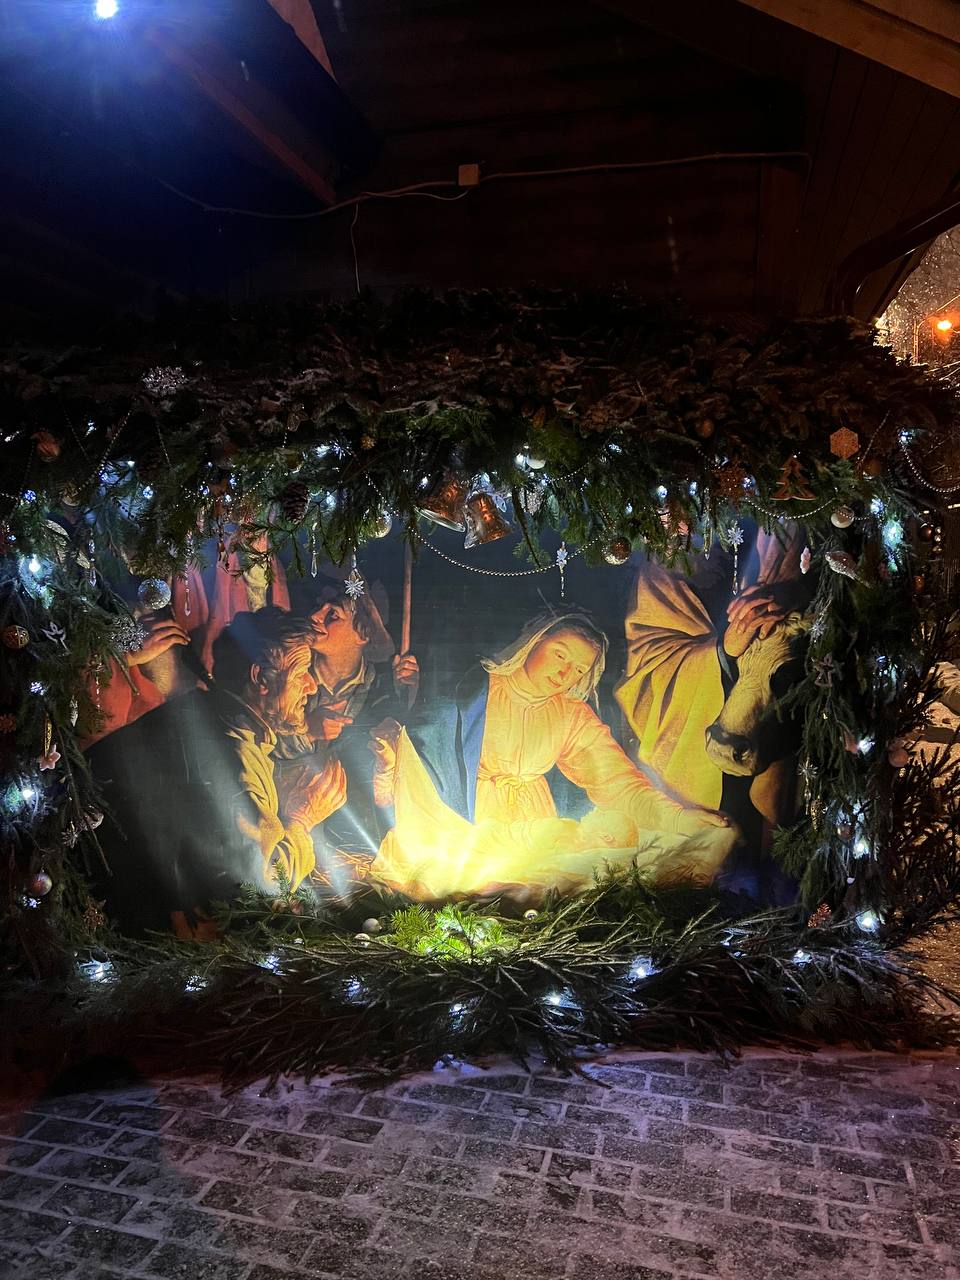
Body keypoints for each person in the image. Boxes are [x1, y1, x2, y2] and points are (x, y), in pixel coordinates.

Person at [368, 610, 736, 899]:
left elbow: (618, 782)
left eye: (579, 669)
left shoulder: (571, 714)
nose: (565, 672)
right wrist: (391, 758)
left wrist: (677, 818)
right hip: (469, 826)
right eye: (560, 654)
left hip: (536, 829)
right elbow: (420, 762)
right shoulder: (472, 691)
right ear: (532, 642)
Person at [86, 608, 346, 935]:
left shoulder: (210, 719)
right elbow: (262, 890)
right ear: (260, 679)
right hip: (161, 936)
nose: (311, 686)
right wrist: (303, 819)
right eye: (301, 674)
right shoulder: (233, 752)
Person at [275, 583, 419, 860]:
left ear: (363, 634)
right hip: (290, 828)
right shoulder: (293, 674)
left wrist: (410, 697)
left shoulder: (382, 687)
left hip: (350, 841)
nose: (316, 616)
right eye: (320, 608)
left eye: (333, 615)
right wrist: (308, 732)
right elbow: (262, 745)